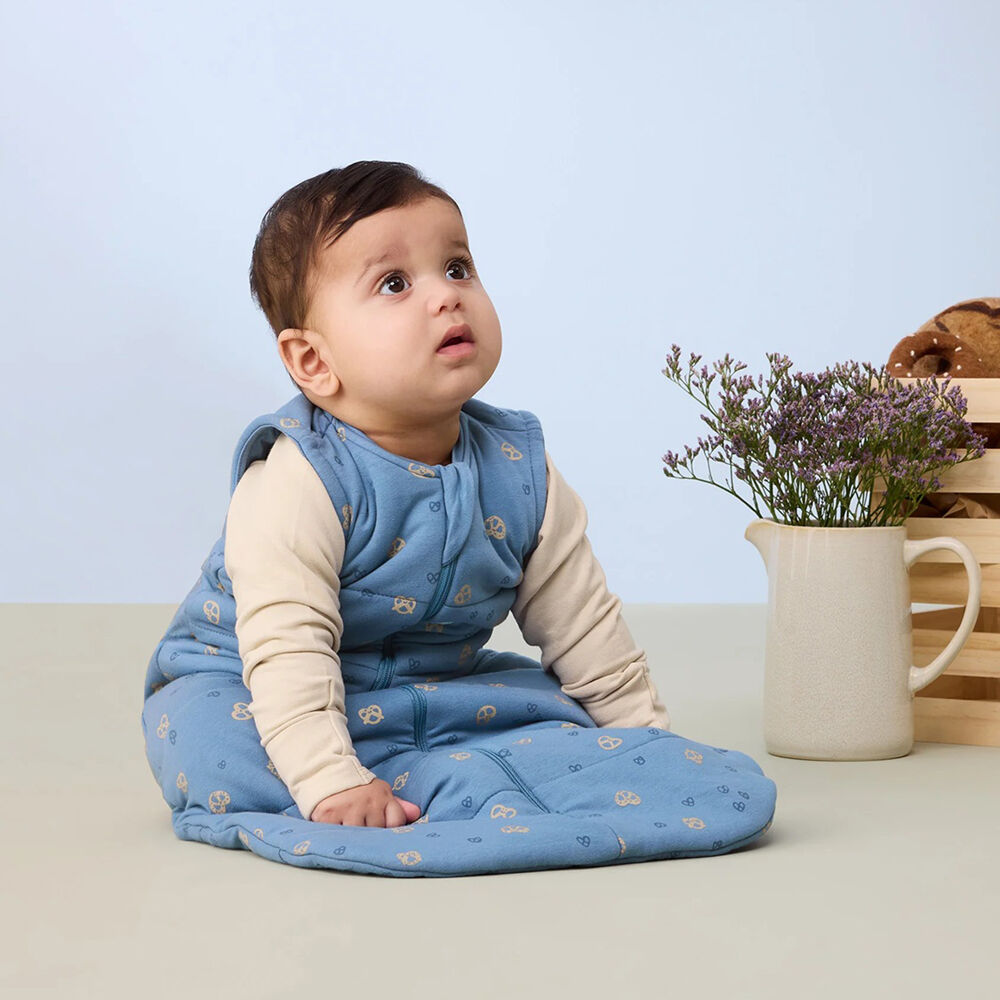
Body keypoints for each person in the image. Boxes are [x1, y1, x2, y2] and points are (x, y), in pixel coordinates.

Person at [141, 161, 774, 875]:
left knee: (544, 710)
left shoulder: (519, 469)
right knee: (212, 743)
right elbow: (287, 647)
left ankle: (444, 777)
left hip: (435, 689)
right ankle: (352, 788)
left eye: (457, 267)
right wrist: (328, 780)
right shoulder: (299, 479)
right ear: (313, 361)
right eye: (394, 283)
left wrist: (644, 740)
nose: (446, 295)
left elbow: (585, 630)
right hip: (256, 681)